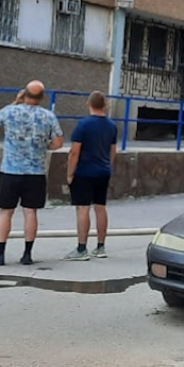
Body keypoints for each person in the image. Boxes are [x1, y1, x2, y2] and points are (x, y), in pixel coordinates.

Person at [0, 80, 63, 266]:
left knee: (6, 212)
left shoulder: (11, 112)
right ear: (42, 97)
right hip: (35, 172)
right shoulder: (48, 116)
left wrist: (15, 101)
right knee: (30, 212)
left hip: (10, 171)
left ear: (24, 94)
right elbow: (58, 142)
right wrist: (44, 146)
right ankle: (27, 254)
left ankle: (0, 253)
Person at [64, 91, 118, 261]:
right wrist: (107, 165)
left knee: (82, 208)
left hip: (84, 171)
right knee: (100, 207)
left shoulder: (83, 125)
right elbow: (113, 150)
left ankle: (81, 248)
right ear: (105, 105)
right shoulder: (112, 126)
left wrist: (70, 173)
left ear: (89, 104)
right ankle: (101, 247)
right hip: (103, 171)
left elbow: (74, 152)